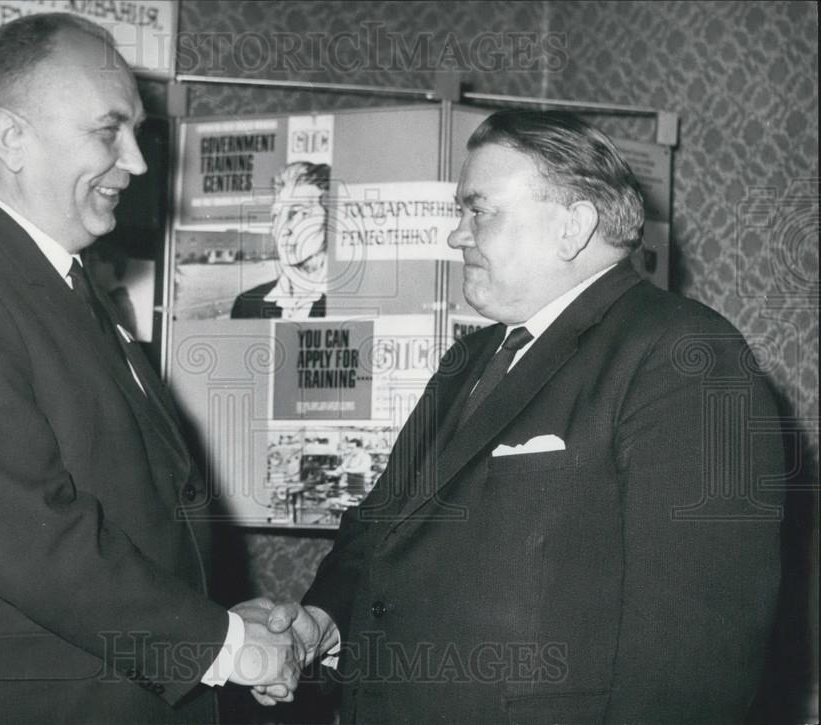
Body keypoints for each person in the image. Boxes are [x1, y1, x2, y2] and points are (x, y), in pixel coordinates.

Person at [259, 110, 785, 722]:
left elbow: (695, 652)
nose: (456, 236)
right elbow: (386, 525)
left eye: (479, 211)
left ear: (574, 225)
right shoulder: (473, 356)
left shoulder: (683, 356)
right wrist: (321, 620)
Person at [0, 14, 297, 725]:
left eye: (136, 132)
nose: (139, 163)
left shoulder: (63, 283)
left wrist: (211, 622)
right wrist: (225, 644)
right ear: (11, 137)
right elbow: (34, 539)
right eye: (107, 131)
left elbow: (126, 507)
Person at [230, 162, 329, 319]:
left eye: (297, 213)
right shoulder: (246, 305)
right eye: (276, 216)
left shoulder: (349, 304)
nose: (283, 228)